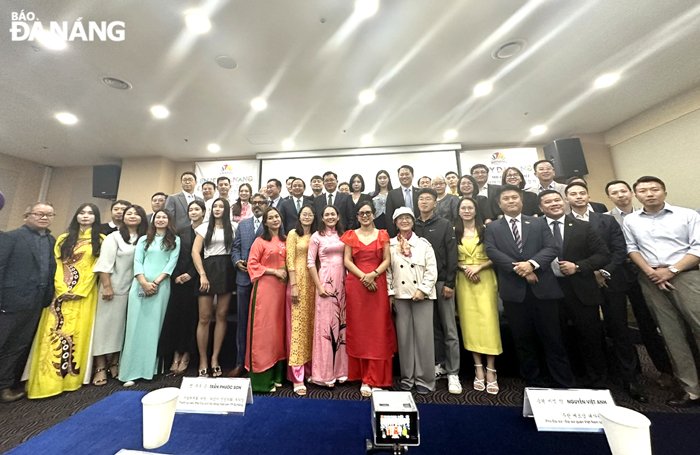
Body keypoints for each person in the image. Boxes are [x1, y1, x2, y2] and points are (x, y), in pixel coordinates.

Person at [484, 185, 574, 388]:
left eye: (514, 197)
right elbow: (492, 251)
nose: (511, 201)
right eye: (506, 198)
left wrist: (531, 264)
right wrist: (520, 269)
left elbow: (551, 248)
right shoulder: (492, 228)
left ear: (522, 200)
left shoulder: (538, 222)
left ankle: (562, 381)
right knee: (522, 339)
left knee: (553, 338)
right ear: (499, 204)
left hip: (544, 289)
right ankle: (533, 381)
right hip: (514, 292)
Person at [622, 176, 700, 407]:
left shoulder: (688, 215)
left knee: (698, 327)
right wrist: (651, 272)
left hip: (686, 276)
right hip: (651, 279)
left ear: (664, 192)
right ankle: (690, 389)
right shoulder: (631, 220)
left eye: (654, 189)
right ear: (637, 196)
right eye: (643, 190)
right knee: (671, 334)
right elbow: (632, 249)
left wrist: (672, 270)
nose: (650, 193)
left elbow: (698, 247)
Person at [566, 183, 647, 401]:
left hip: (611, 280)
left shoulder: (606, 219)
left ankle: (630, 378)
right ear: (567, 199)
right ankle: (597, 378)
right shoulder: (565, 223)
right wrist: (586, 271)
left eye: (582, 193)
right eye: (573, 194)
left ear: (589, 195)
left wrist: (604, 271)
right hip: (581, 283)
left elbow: (620, 249)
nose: (578, 196)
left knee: (619, 329)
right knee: (589, 332)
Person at [27, 203, 104, 399]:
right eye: (82, 213)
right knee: (51, 334)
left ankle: (71, 379)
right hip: (59, 295)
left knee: (79, 334)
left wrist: (81, 289)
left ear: (96, 217)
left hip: (84, 295)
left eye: (90, 213)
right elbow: (56, 264)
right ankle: (45, 383)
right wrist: (62, 288)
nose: (85, 216)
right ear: (76, 216)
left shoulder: (101, 240)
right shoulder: (63, 238)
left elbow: (98, 267)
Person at [604, 180, 673, 386]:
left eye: (623, 191)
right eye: (614, 192)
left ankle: (665, 370)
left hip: (648, 274)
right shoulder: (604, 219)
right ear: (609, 197)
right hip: (617, 274)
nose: (620, 195)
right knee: (619, 325)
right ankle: (632, 372)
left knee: (650, 323)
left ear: (631, 193)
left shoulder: (646, 216)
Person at [539, 189, 609, 388]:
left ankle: (598, 381)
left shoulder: (583, 227)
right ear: (541, 207)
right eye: (548, 202)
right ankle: (565, 379)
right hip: (549, 290)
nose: (553, 204)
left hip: (581, 288)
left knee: (590, 336)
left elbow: (602, 255)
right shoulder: (535, 228)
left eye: (556, 200)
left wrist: (578, 266)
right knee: (556, 337)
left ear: (564, 202)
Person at [0, 203, 56, 403]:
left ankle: (4, 386)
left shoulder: (50, 240)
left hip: (35, 303)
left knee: (18, 346)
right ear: (27, 215)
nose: (44, 218)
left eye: (49, 215)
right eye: (39, 214)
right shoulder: (11, 237)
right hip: (9, 302)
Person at [118, 210, 180, 386]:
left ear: (169, 221)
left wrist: (156, 283)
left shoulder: (175, 240)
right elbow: (137, 262)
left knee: (154, 329)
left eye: (164, 217)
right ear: (153, 220)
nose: (160, 220)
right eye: (157, 217)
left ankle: (149, 370)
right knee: (134, 328)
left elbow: (171, 264)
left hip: (161, 287)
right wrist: (144, 282)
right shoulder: (144, 239)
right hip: (139, 285)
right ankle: (129, 372)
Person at [342, 201, 395, 397]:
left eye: (368, 213)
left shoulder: (382, 234)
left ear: (373, 215)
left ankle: (377, 377)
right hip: (357, 285)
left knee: (378, 329)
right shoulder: (350, 235)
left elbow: (387, 259)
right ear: (357, 216)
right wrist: (364, 277)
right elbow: (347, 260)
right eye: (361, 213)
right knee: (360, 330)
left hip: (377, 284)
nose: (365, 216)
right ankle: (363, 377)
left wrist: (372, 274)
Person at [91, 204, 148, 386]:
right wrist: (107, 286)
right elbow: (104, 264)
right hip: (113, 288)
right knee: (104, 328)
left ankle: (115, 362)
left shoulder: (145, 238)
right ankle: (100, 367)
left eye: (136, 214)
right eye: (128, 213)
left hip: (134, 290)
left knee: (122, 329)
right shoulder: (113, 237)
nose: (132, 216)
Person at [413, 188, 461, 394]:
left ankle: (453, 373)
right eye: (421, 199)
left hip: (442, 282)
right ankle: (437, 364)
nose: (424, 202)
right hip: (420, 286)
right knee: (431, 329)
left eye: (428, 199)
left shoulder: (444, 224)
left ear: (435, 203)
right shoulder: (412, 226)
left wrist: (450, 282)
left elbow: (452, 255)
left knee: (449, 328)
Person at [386, 207, 435, 394]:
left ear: (413, 221)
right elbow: (388, 272)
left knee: (424, 338)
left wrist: (422, 290)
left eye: (407, 218)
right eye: (400, 219)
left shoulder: (423, 244)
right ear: (395, 223)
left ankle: (425, 378)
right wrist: (390, 293)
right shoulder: (390, 245)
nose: (404, 221)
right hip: (401, 296)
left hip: (422, 296)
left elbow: (432, 270)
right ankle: (407, 377)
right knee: (404, 339)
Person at [454, 197, 501, 394]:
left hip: (485, 279)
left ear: (476, 210)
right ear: (458, 211)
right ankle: (478, 368)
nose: (466, 210)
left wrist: (479, 267)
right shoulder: (453, 231)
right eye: (463, 207)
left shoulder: (486, 229)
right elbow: (450, 257)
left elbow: (496, 254)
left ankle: (491, 369)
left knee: (489, 323)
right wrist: (466, 268)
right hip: (464, 281)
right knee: (470, 324)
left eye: (470, 207)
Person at [159, 200, 205, 376]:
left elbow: (204, 255)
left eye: (197, 209)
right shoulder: (180, 231)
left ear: (203, 212)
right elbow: (172, 254)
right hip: (178, 280)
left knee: (191, 318)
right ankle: (175, 354)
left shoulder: (206, 231)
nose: (193, 212)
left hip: (196, 280)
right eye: (191, 209)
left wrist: (192, 274)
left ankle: (186, 355)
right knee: (176, 317)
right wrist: (177, 274)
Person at [192, 198, 237, 377]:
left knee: (222, 315)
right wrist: (202, 274)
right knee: (204, 317)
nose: (218, 209)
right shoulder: (203, 227)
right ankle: (203, 359)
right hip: (208, 269)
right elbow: (195, 252)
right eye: (215, 206)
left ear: (226, 210)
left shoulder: (233, 226)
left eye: (221, 206)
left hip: (226, 269)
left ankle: (214, 358)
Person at [245, 207, 287, 392]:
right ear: (265, 222)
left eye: (277, 216)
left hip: (283, 291)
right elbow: (252, 264)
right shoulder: (260, 241)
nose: (275, 220)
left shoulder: (287, 240)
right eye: (270, 217)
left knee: (279, 332)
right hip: (265, 290)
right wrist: (274, 271)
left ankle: (278, 376)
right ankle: (261, 380)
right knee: (264, 332)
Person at [307, 205, 348, 387]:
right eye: (327, 214)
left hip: (343, 283)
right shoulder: (316, 236)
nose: (330, 217)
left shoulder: (344, 235)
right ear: (322, 218)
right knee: (325, 327)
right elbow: (310, 263)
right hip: (324, 281)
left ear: (338, 216)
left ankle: (341, 371)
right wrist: (319, 286)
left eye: (333, 214)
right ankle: (323, 374)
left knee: (341, 326)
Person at [229, 193, 269, 377]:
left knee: (263, 324)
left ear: (267, 205)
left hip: (265, 281)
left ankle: (260, 364)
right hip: (244, 279)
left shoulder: (272, 224)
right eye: (255, 202)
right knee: (242, 322)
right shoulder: (243, 224)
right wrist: (237, 262)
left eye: (262, 203)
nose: (258, 205)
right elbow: (235, 247)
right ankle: (239, 362)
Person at [285, 205, 317, 396]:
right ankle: (297, 376)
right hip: (298, 282)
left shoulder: (316, 234)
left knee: (311, 326)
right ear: (299, 216)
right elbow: (290, 260)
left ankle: (311, 370)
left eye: (310, 214)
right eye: (304, 214)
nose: (307, 217)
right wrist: (294, 284)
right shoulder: (292, 234)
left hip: (314, 283)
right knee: (297, 326)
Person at [385, 165, 419, 236]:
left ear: (412, 175)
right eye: (401, 174)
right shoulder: (392, 194)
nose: (404, 176)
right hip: (399, 232)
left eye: (407, 174)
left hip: (419, 230)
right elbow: (389, 216)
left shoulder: (419, 192)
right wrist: (392, 234)